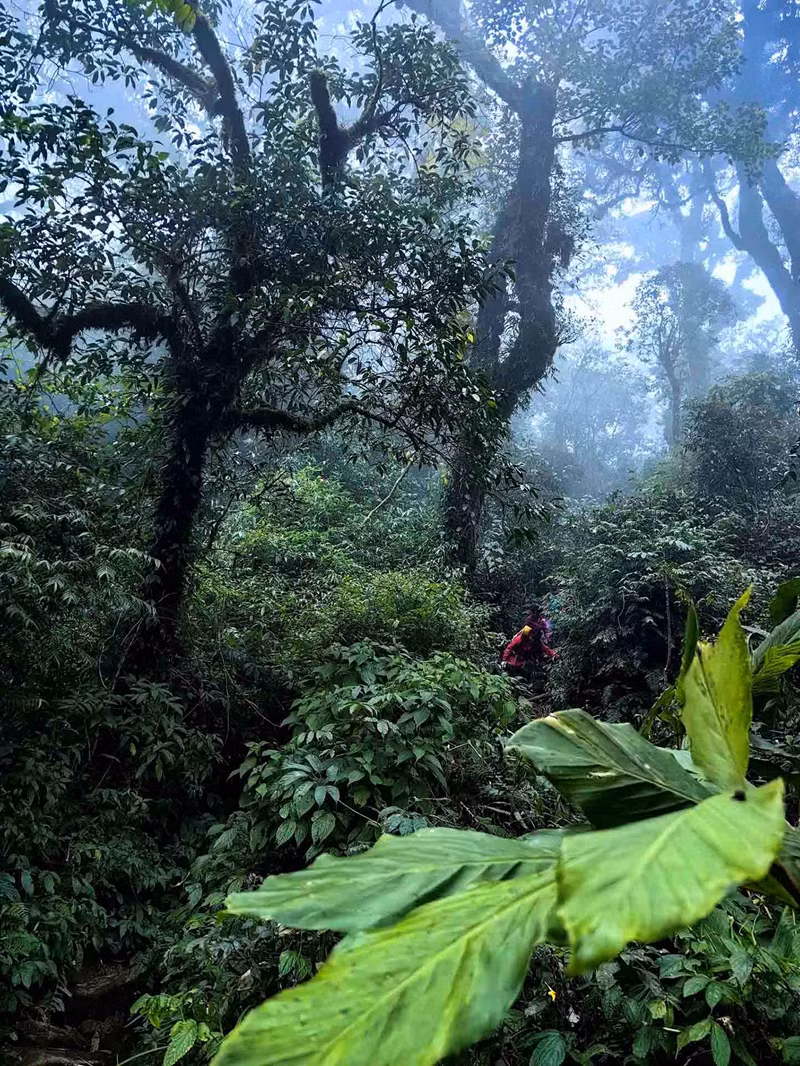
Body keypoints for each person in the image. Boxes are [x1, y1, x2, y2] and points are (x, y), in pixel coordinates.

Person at [501, 607, 557, 680]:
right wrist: (504, 660)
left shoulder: (536, 641)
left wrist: (555, 655)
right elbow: (509, 648)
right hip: (513, 660)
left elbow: (546, 649)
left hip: (524, 662)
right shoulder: (520, 639)